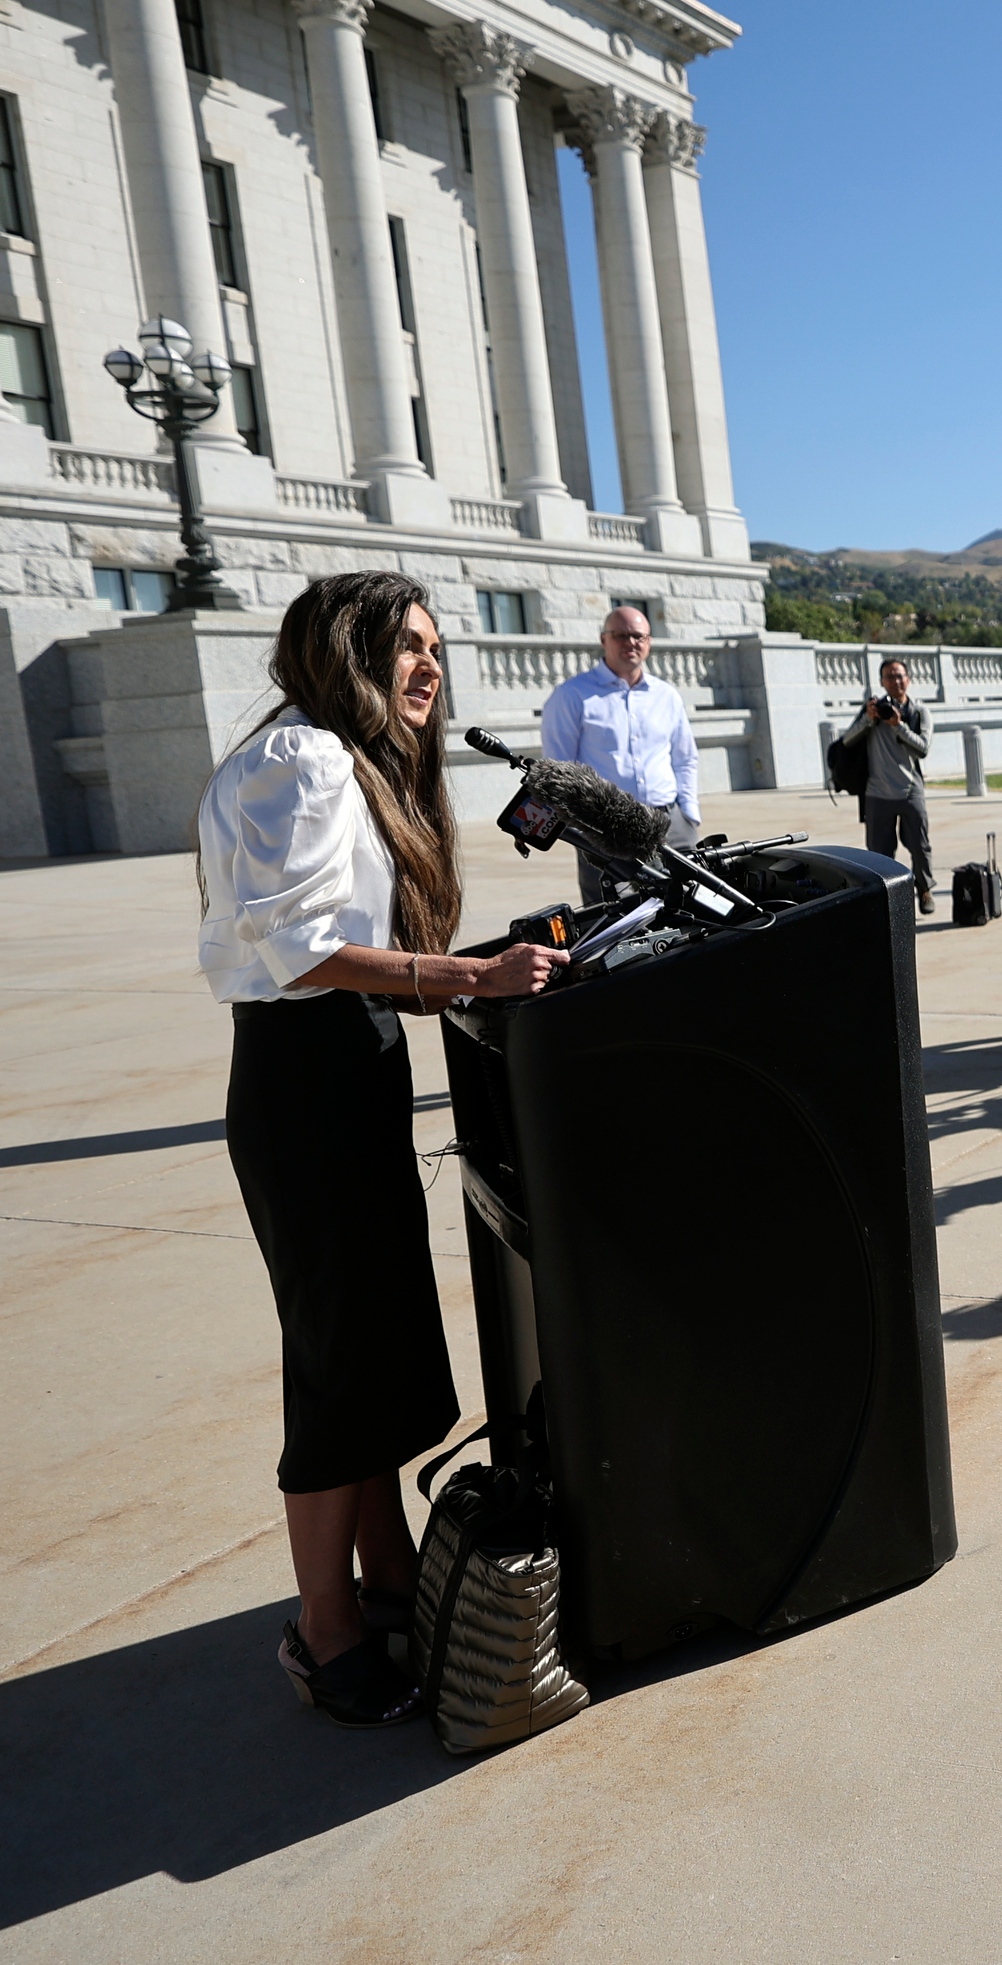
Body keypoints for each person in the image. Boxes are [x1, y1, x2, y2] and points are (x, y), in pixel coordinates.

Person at [196, 571, 566, 1728]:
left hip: (340, 1070)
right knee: (335, 1362)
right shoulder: (301, 762)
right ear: (346, 648)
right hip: (306, 1075)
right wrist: (469, 976)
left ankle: (390, 1576)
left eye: (438, 648)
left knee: (368, 1346)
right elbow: (307, 953)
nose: (429, 666)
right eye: (406, 644)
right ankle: (324, 1633)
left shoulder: (323, 759)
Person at [538, 605, 698, 904]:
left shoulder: (667, 695)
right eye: (620, 635)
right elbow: (558, 768)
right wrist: (582, 829)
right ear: (604, 640)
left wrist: (689, 814)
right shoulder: (572, 695)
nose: (631, 642)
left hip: (670, 821)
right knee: (614, 915)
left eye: (638, 636)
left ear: (649, 641)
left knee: (691, 904)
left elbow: (685, 758)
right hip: (606, 828)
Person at [840, 657, 936, 915]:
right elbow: (847, 741)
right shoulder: (872, 710)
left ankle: (924, 889)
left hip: (910, 790)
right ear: (882, 682)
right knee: (879, 853)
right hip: (877, 793)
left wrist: (898, 726)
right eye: (889, 677)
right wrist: (868, 720)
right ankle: (885, 897)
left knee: (920, 845)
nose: (895, 681)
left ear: (908, 679)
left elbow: (923, 748)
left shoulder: (918, 712)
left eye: (899, 676)